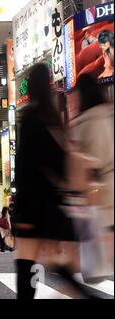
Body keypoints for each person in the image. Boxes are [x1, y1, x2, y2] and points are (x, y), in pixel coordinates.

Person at [13, 63, 91, 299]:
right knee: (57, 263)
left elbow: (24, 166)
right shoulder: (54, 118)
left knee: (26, 262)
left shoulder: (30, 118)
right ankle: (86, 294)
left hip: (32, 204)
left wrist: (21, 208)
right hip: (51, 203)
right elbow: (59, 162)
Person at [73, 73, 114, 280]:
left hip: (98, 195)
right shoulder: (106, 115)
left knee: (100, 254)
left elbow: (93, 161)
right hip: (104, 193)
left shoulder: (91, 120)